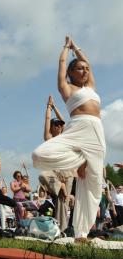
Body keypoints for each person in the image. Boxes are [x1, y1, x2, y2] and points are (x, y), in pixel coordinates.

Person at [32, 36, 106, 242]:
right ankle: (77, 161)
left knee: (93, 183)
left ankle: (82, 233)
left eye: (86, 69)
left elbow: (88, 62)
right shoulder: (67, 89)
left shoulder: (90, 88)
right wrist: (66, 48)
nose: (84, 71)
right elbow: (62, 64)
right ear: (71, 73)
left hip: (96, 132)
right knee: (39, 155)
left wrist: (78, 48)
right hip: (76, 129)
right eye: (79, 68)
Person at [38, 95, 75, 232]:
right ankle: (61, 187)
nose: (59, 126)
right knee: (42, 175)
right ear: (52, 128)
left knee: (62, 204)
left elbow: (65, 121)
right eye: (56, 125)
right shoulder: (49, 139)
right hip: (55, 173)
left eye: (60, 125)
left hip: (68, 173)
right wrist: (48, 108)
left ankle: (61, 231)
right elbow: (47, 121)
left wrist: (55, 107)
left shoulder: (65, 137)